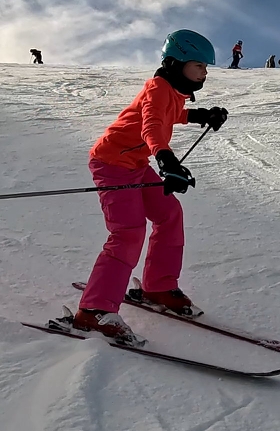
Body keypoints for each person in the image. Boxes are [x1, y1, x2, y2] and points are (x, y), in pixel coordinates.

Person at [66, 29, 230, 344]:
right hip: (112, 163)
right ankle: (93, 311)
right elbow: (151, 124)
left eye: (206, 67)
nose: (205, 72)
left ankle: (158, 286)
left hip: (137, 165)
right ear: (176, 63)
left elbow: (170, 114)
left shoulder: (171, 91)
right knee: (128, 233)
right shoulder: (157, 88)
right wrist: (166, 160)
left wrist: (200, 115)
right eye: (199, 65)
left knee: (169, 213)